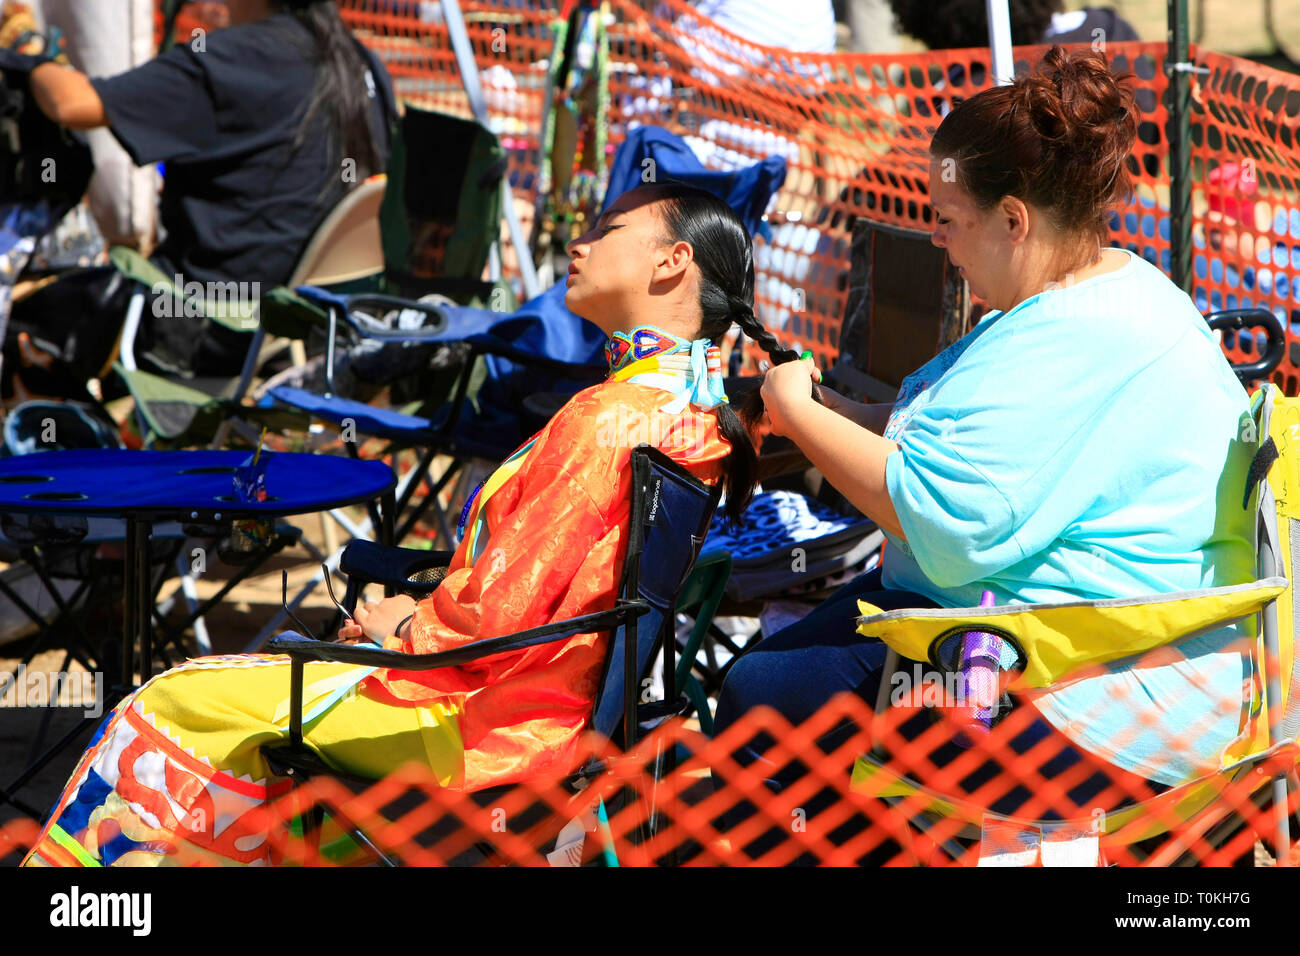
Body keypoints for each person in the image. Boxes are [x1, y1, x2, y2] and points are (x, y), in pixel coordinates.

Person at [23, 182, 784, 867]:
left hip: (478, 722)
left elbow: (502, 612)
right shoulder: (692, 409)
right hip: (549, 713)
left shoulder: (613, 417)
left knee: (168, 701)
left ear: (672, 263)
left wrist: (404, 625)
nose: (579, 242)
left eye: (609, 228)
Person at [713, 47, 1257, 839]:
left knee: (764, 698)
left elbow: (945, 527)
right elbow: (930, 439)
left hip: (1101, 701)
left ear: (1013, 220)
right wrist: (822, 408)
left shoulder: (1081, 336)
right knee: (779, 668)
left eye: (948, 219)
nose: (938, 240)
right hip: (1045, 635)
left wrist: (801, 418)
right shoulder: (1089, 290)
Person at [3, 0, 396, 403]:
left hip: (208, 330)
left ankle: (67, 453)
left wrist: (31, 53)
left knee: (23, 329)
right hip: (315, 330)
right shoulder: (361, 63)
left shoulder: (227, 60)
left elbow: (73, 104)